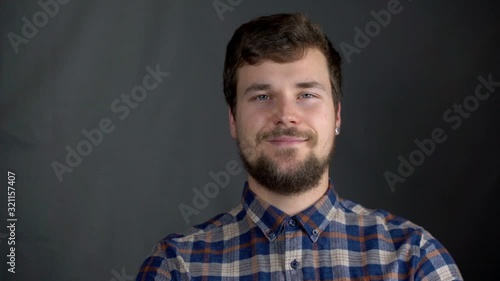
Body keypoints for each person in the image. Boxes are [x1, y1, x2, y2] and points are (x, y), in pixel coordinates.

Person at [136, 12, 463, 281]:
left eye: (307, 95)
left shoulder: (414, 259)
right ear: (234, 120)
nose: (286, 115)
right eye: (262, 97)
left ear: (336, 115)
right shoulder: (177, 267)